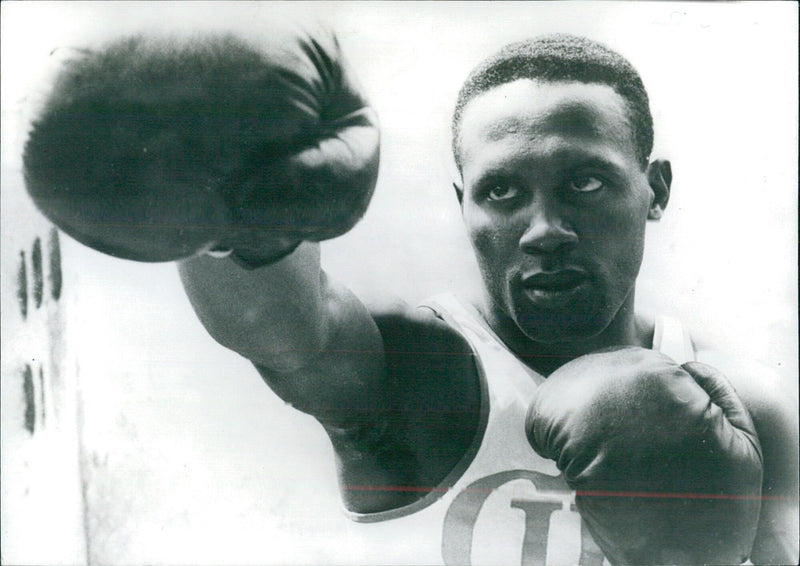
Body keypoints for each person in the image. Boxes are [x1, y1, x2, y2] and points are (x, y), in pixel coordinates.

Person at [22, 17, 798, 566]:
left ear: (653, 188)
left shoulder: (748, 407)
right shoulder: (422, 375)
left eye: (585, 180)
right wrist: (241, 207)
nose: (543, 227)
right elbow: (288, 334)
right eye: (501, 192)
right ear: (463, 204)